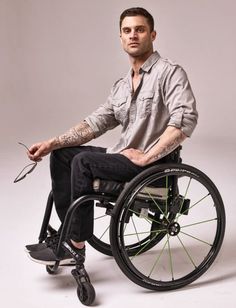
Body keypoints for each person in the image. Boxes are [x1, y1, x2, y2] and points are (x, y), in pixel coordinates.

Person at [26, 7, 198, 266]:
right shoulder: (121, 86)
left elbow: (185, 120)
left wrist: (147, 156)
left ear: (152, 34)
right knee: (63, 156)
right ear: (120, 38)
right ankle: (68, 234)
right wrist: (52, 143)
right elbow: (96, 123)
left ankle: (75, 245)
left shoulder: (169, 73)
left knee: (82, 162)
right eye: (127, 31)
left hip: (152, 164)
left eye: (139, 30)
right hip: (124, 157)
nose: (133, 35)